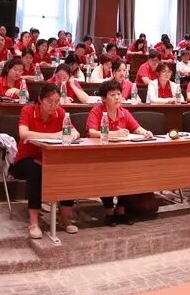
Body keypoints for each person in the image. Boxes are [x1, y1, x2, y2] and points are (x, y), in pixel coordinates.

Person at [11, 83, 81, 239]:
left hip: (50, 158)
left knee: (68, 170)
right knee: (36, 171)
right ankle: (34, 222)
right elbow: (23, 134)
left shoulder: (60, 112)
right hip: (26, 159)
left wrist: (71, 135)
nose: (53, 105)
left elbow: (75, 131)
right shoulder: (28, 110)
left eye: (57, 102)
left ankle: (64, 218)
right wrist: (53, 135)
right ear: (40, 100)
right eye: (49, 101)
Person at [87, 79, 154, 225]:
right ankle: (109, 211)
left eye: (118, 94)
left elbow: (136, 128)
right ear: (103, 98)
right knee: (107, 173)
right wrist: (113, 134)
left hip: (122, 155)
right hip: (101, 156)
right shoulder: (97, 111)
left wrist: (145, 132)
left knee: (129, 171)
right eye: (112, 95)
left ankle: (121, 209)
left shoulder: (124, 112)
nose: (117, 97)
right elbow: (92, 132)